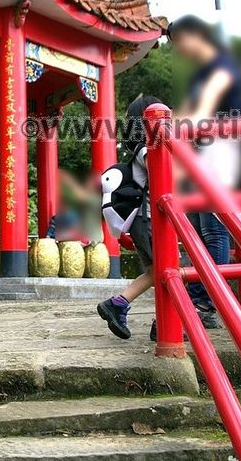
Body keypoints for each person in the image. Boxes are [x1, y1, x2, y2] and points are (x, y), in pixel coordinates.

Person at [167, 15, 241, 328]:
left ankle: (205, 302)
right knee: (201, 231)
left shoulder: (222, 66)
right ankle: (203, 296)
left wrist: (171, 127)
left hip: (222, 154)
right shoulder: (203, 73)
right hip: (205, 155)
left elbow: (200, 111)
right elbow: (186, 111)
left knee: (214, 230)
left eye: (178, 43)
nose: (178, 51)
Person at [96, 95, 161, 340]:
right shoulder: (146, 149)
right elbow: (165, 172)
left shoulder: (140, 149)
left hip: (142, 222)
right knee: (169, 271)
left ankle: (119, 303)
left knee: (157, 272)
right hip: (147, 220)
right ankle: (164, 323)